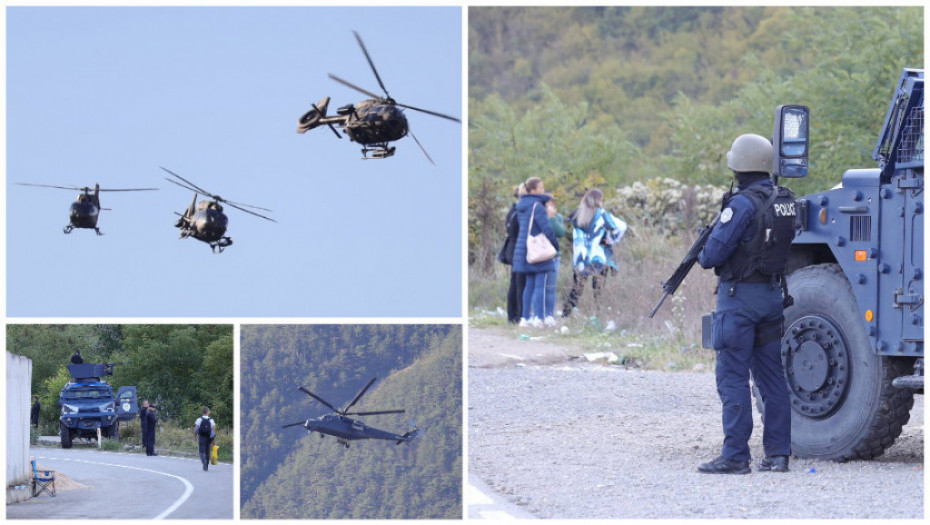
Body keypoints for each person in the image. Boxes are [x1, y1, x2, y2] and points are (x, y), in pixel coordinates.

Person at [696, 133, 795, 474]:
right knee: (772, 379)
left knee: (733, 378)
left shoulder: (741, 204)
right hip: (771, 296)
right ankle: (779, 455)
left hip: (739, 302)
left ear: (738, 165)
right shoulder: (785, 199)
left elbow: (710, 256)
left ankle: (736, 455)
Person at [562, 189, 627, 316]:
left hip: (581, 258)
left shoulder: (576, 213)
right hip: (599, 256)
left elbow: (568, 225)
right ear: (599, 200)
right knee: (598, 289)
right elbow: (621, 226)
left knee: (577, 288)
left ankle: (565, 315)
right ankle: (598, 315)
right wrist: (612, 239)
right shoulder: (602, 214)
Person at [512, 177, 559, 327]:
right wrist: (555, 246)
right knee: (540, 285)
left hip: (525, 250)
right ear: (533, 190)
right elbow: (547, 229)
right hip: (538, 250)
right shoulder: (537, 206)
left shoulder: (521, 205)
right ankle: (539, 317)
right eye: (541, 188)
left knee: (529, 285)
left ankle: (525, 318)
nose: (543, 191)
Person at [500, 184, 527, 324]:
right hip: (517, 247)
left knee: (515, 282)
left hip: (511, 247)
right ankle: (518, 315)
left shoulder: (512, 210)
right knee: (519, 282)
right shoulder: (519, 211)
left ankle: (512, 316)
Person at [544, 196, 566, 325]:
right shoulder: (538, 217)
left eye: (552, 205)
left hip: (554, 257)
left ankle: (549, 314)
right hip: (539, 256)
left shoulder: (557, 218)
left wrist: (552, 218)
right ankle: (538, 313)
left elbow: (560, 232)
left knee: (551, 287)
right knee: (539, 286)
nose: (550, 208)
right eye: (547, 206)